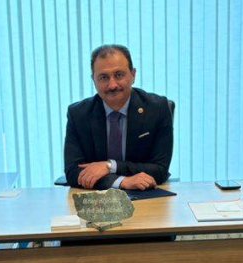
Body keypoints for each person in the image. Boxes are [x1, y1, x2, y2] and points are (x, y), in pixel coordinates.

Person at [63, 44, 174, 191]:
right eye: (103, 77)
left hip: (145, 195)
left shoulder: (157, 109)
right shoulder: (78, 114)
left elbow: (160, 169)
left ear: (133, 75)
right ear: (93, 80)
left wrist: (110, 166)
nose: (112, 85)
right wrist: (121, 182)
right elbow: (73, 172)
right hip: (98, 200)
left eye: (119, 75)